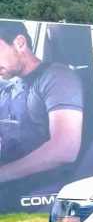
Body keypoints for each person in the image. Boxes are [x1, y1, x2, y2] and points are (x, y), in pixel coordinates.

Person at [0, 21, 84, 210]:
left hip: (37, 192)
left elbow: (64, 148)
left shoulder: (57, 78)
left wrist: (2, 174)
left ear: (20, 43)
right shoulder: (9, 86)